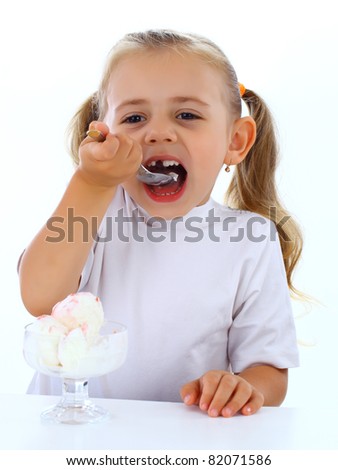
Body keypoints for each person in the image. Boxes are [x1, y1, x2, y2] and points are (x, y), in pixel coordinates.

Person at [19, 29, 301, 418]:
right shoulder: (93, 210)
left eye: (187, 115)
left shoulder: (249, 239)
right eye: (134, 117)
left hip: (180, 439)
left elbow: (269, 371)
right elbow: (39, 297)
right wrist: (90, 183)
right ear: (104, 134)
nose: (157, 133)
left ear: (235, 141)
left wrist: (242, 388)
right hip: (69, 434)